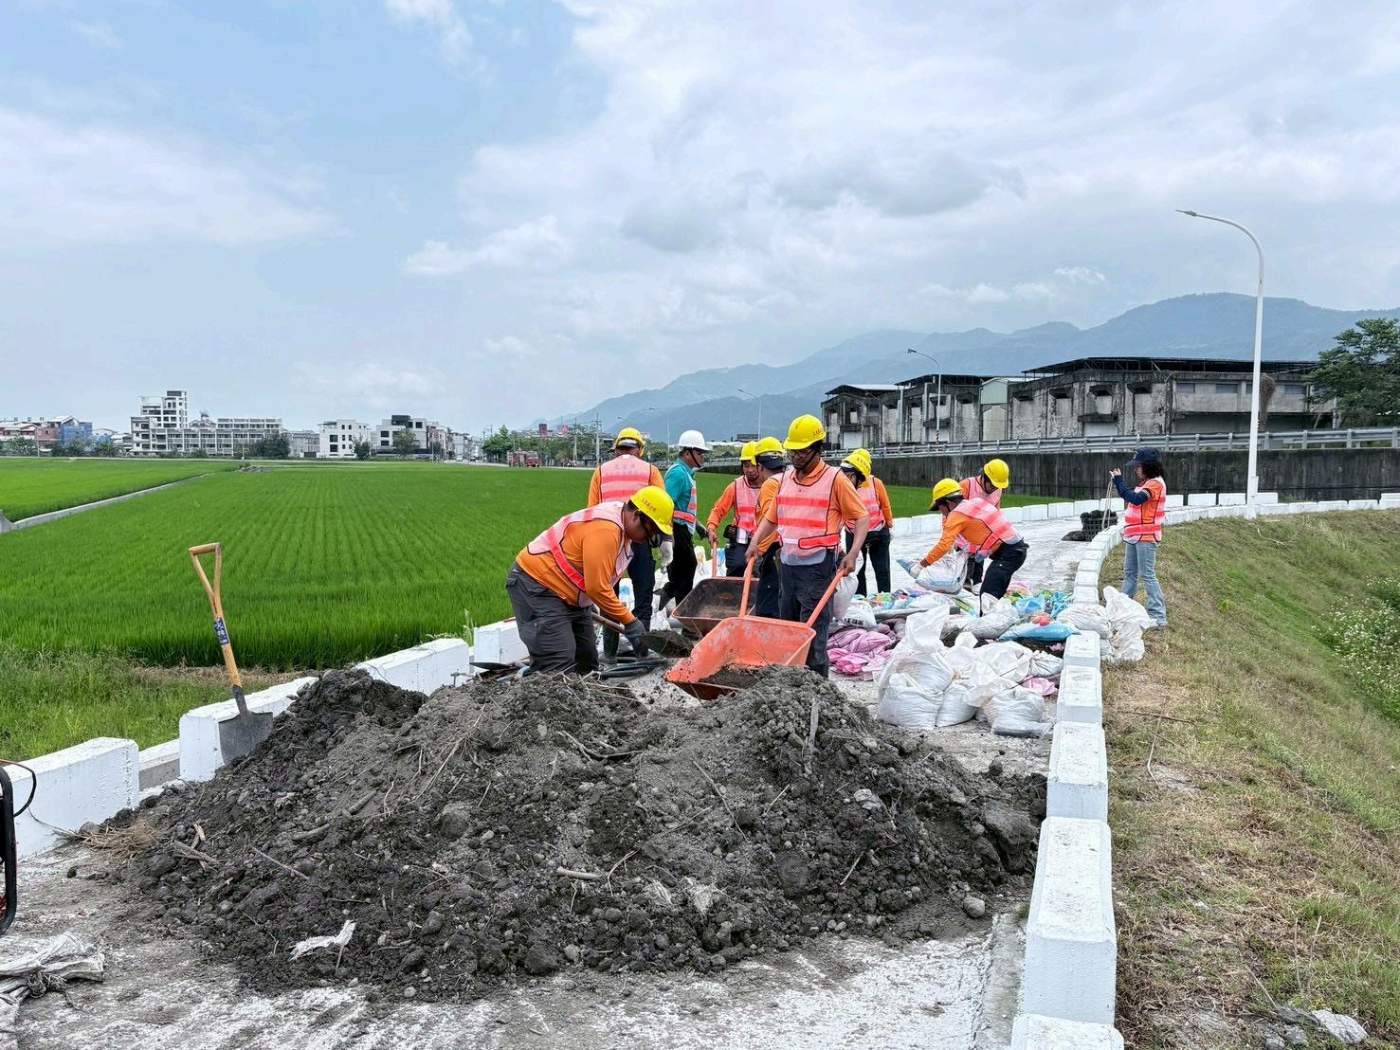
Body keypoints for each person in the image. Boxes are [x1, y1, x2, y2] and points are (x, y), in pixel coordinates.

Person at [507, 486, 674, 674]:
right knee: (559, 662)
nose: (649, 538)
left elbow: (597, 579)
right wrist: (631, 622)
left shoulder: (623, 529)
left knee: (586, 662)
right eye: (649, 531)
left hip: (568, 594)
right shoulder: (606, 530)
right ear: (636, 516)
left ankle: (576, 691)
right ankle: (535, 684)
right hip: (538, 585)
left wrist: (585, 601)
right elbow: (597, 588)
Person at [748, 415, 867, 677]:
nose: (796, 457)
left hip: (818, 567)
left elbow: (861, 517)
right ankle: (790, 680)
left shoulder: (835, 480)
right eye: (793, 451)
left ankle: (817, 684)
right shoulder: (785, 479)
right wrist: (756, 541)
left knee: (813, 633)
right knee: (789, 629)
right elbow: (772, 517)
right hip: (788, 565)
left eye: (802, 452)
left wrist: (853, 553)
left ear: (817, 449)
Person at [588, 426, 665, 660]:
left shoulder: (600, 472)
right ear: (639, 449)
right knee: (643, 593)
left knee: (607, 595)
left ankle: (610, 654)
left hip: (607, 538)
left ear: (616, 450)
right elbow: (661, 508)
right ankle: (641, 652)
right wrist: (664, 541)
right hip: (639, 537)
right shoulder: (650, 471)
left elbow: (592, 510)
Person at [918, 477, 1028, 602]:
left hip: (1008, 554)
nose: (941, 512)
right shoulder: (976, 502)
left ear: (948, 502)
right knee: (993, 594)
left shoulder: (956, 515)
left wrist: (922, 565)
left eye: (939, 507)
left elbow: (944, 545)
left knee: (987, 596)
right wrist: (978, 551)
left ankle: (990, 614)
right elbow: (985, 531)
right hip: (1017, 550)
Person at [1112, 448, 1168, 627]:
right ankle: (1122, 610)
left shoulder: (1155, 484)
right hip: (1134, 535)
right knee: (1130, 574)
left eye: (1138, 466)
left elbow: (1136, 499)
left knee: (1148, 575)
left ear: (1148, 466)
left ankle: (1158, 617)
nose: (1136, 469)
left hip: (1146, 536)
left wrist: (1119, 481)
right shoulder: (1146, 483)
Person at [657, 429, 709, 612]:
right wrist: (668, 535)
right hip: (677, 531)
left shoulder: (686, 474)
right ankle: (681, 613)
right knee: (685, 572)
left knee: (682, 573)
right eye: (700, 452)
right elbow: (667, 504)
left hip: (683, 530)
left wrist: (698, 526)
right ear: (687, 453)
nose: (703, 457)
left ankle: (666, 599)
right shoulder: (678, 474)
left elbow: (683, 509)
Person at [839, 448, 894, 596]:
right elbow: (885, 506)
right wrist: (889, 524)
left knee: (858, 570)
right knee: (881, 569)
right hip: (876, 531)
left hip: (859, 532)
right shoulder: (875, 482)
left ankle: (861, 598)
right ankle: (882, 597)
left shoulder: (848, 484)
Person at [706, 441, 763, 576]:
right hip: (740, 538)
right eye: (746, 466)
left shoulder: (770, 485)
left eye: (753, 465)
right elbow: (718, 509)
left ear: (761, 466)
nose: (750, 470)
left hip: (762, 538)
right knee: (737, 566)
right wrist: (711, 528)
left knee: (760, 570)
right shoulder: (736, 486)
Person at [958, 458, 1010, 589]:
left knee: (977, 574)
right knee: (963, 576)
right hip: (962, 539)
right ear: (984, 477)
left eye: (997, 486)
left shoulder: (997, 491)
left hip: (980, 541)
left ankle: (975, 584)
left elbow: (995, 515)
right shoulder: (966, 486)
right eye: (992, 485)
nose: (994, 489)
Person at [750, 437, 787, 617]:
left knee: (767, 608)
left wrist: (759, 552)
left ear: (759, 466)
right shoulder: (790, 479)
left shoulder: (770, 484)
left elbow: (771, 521)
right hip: (792, 550)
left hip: (774, 550)